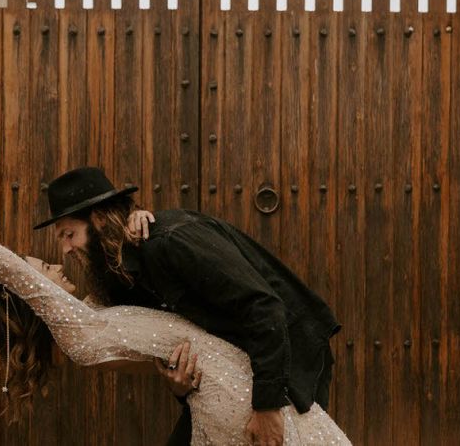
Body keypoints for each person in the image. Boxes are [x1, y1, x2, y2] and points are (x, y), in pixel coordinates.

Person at [0, 193, 350, 445]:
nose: (58, 259)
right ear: (29, 295)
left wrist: (137, 221)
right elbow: (3, 264)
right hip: (233, 397)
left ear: (98, 221)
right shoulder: (71, 322)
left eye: (67, 235)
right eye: (40, 267)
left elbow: (191, 337)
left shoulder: (102, 306)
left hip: (255, 385)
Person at [35, 167, 343, 446]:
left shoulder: (172, 240)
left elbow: (263, 308)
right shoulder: (123, 269)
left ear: (100, 219)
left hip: (286, 356)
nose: (65, 249)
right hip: (228, 374)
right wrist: (179, 386)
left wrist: (267, 406)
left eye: (69, 234)